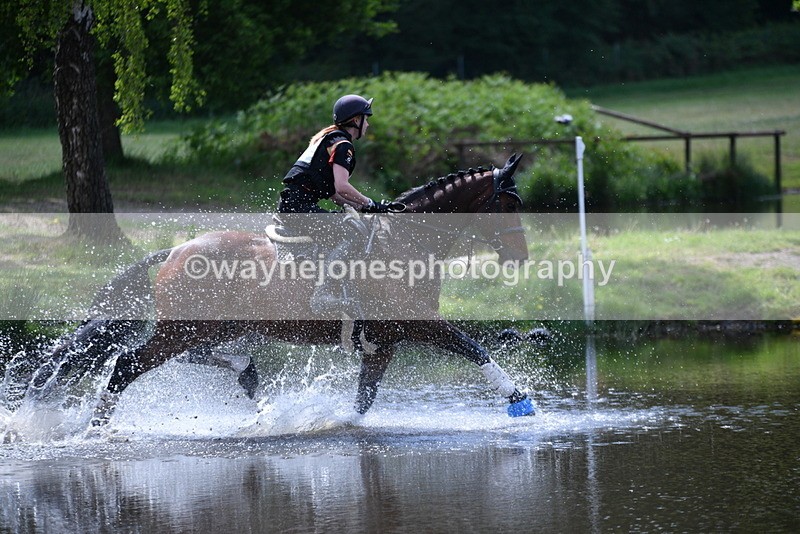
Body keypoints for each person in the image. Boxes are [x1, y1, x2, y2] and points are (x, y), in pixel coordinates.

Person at [277, 94, 380, 318]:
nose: (368, 124)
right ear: (355, 121)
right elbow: (343, 186)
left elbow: (333, 193)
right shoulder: (343, 145)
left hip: (295, 205)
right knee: (352, 233)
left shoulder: (330, 139)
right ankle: (322, 294)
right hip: (299, 208)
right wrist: (370, 203)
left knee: (348, 223)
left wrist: (361, 208)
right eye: (366, 118)